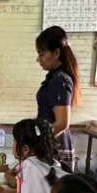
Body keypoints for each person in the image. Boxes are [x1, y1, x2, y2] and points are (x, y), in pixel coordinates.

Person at [0, 118, 71, 193]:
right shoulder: (45, 160)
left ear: (25, 149)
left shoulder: (31, 165)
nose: (13, 144)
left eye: (14, 141)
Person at [35, 26, 82, 170]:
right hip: (51, 142)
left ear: (56, 53)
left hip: (55, 147)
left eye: (41, 54)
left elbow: (61, 124)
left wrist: (36, 141)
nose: (38, 59)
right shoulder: (56, 77)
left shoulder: (59, 80)